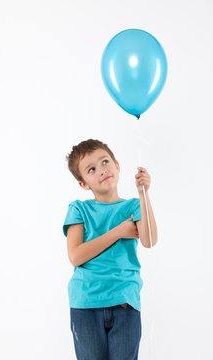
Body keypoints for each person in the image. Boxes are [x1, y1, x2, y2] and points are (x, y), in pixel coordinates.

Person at [62, 139, 158, 360]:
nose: (102, 170)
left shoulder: (133, 206)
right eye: (91, 169)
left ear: (117, 165)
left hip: (125, 302)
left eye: (105, 162)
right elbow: (76, 256)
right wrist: (118, 231)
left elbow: (149, 240)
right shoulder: (79, 209)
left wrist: (143, 194)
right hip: (85, 303)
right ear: (84, 184)